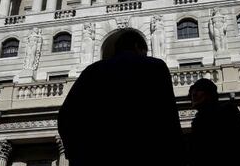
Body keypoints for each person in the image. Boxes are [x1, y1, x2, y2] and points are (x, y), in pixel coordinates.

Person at [57, 31, 185, 166]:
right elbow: (168, 116)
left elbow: (66, 116)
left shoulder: (92, 71)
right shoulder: (155, 67)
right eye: (144, 53)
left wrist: (77, 154)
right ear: (137, 47)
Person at [188, 78, 240, 166]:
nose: (193, 94)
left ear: (209, 93)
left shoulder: (227, 111)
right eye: (191, 92)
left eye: (198, 90)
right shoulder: (197, 121)